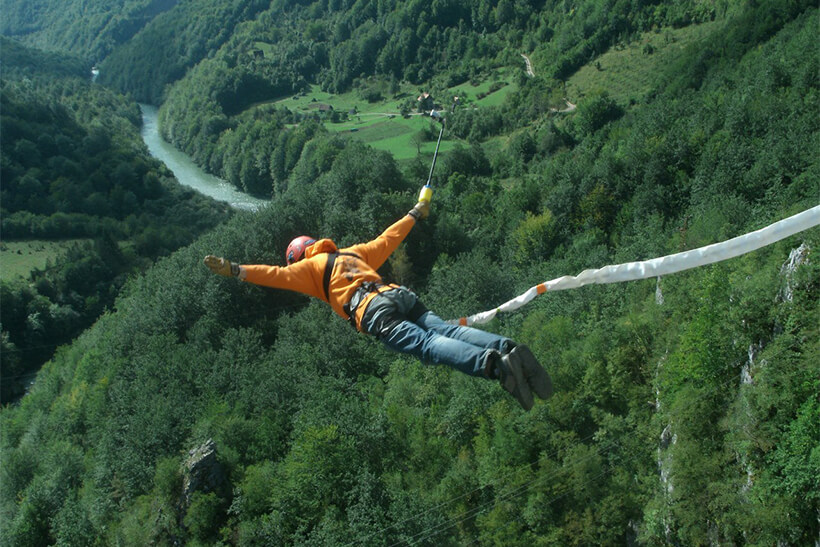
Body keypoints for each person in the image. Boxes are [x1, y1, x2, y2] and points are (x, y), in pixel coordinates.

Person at [204, 200, 552, 410]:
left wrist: (236, 270)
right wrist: (415, 212)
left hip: (372, 310)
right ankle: (506, 348)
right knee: (444, 329)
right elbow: (389, 237)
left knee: (429, 346)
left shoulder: (308, 268)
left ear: (299, 255)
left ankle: (494, 367)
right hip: (397, 293)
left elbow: (275, 274)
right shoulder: (352, 252)